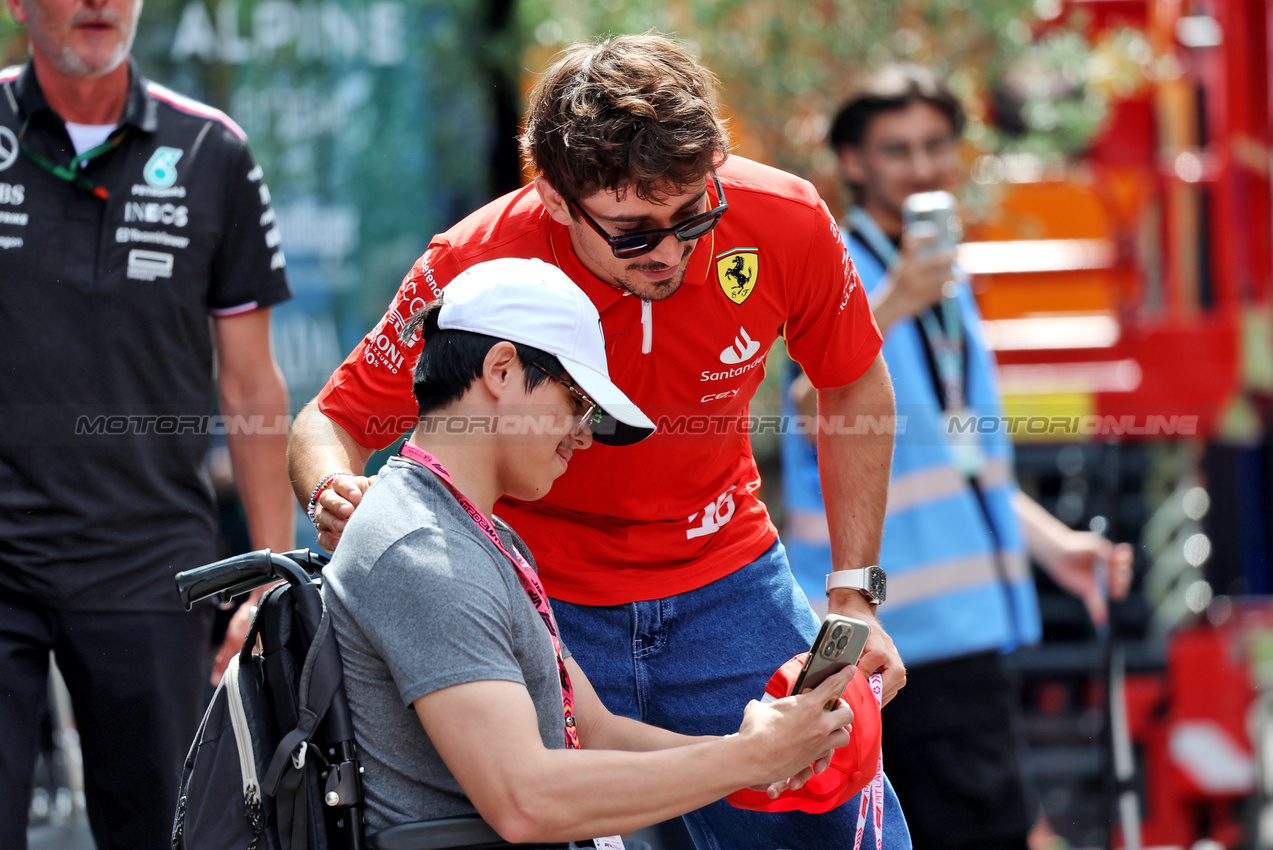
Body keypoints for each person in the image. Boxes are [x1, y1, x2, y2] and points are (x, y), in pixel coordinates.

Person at [290, 34, 910, 849]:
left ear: (716, 162)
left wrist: (853, 594)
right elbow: (327, 423)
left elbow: (854, 380)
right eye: (631, 232)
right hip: (546, 597)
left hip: (726, 575)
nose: (670, 252)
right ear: (552, 199)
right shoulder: (473, 262)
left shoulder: (784, 217)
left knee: (828, 794)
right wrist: (333, 488)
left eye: (694, 214)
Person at [324, 257, 861, 845]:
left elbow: (596, 731)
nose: (583, 434)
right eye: (577, 401)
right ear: (501, 369)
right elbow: (524, 799)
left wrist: (765, 755)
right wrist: (749, 760)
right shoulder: (423, 548)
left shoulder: (474, 533)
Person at [780, 64, 1134, 850]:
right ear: (852, 162)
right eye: (896, 149)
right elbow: (809, 409)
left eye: (935, 145)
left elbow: (960, 454)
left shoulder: (939, 276)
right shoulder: (845, 270)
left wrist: (1054, 548)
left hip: (952, 630)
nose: (921, 166)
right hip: (897, 629)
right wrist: (897, 298)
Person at [0, 1, 295, 848]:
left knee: (167, 834)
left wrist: (267, 576)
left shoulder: (212, 150)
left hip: (150, 567)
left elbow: (250, 386)